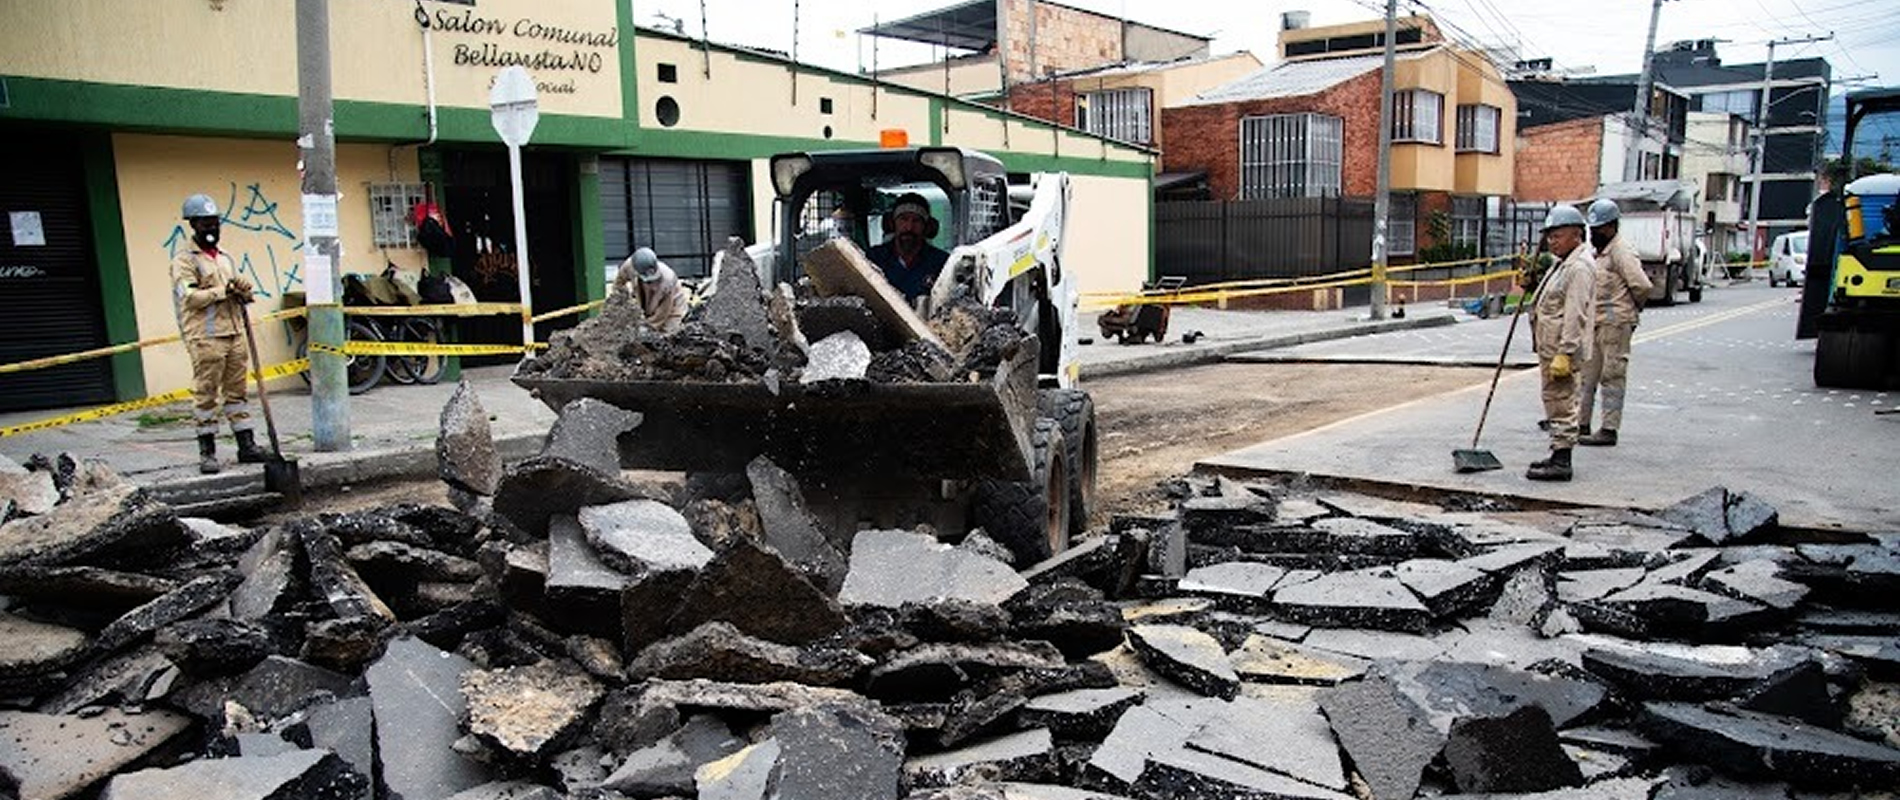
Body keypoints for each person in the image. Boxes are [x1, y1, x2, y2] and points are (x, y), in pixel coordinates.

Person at [170, 193, 265, 474]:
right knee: (206, 394)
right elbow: (188, 298)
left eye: (215, 223)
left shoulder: (225, 258)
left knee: (237, 393)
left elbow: (235, 292)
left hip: (235, 332)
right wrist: (223, 292)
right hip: (206, 337)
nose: (211, 229)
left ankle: (246, 445)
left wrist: (243, 292)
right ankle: (207, 452)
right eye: (205, 224)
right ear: (193, 226)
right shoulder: (184, 261)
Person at [1526, 204, 1597, 482]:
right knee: (1554, 398)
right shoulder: (1562, 264)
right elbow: (1552, 301)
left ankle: (1562, 459)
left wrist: (1566, 352)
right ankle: (1557, 450)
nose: (1552, 241)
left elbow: (1575, 313)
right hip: (1550, 346)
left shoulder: (1579, 267)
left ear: (1576, 235)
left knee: (1562, 399)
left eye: (1558, 236)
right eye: (1550, 236)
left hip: (1561, 349)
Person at [1577, 198, 1652, 447]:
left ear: (1611, 227)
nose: (1594, 233)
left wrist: (1629, 310)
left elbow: (1641, 285)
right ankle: (1581, 424)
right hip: (1595, 323)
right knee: (1587, 376)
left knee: (1612, 376)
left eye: (1598, 229)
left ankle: (1609, 428)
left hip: (1616, 324)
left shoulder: (1621, 251)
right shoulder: (1598, 253)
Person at [866, 192, 949, 302]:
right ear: (892, 223)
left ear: (927, 227)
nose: (909, 227)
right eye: (903, 219)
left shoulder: (942, 263)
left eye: (916, 221)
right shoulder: (873, 259)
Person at [611, 246, 688, 333]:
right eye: (649, 282)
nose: (652, 285)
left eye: (654, 280)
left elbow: (663, 312)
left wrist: (649, 327)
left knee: (667, 334)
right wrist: (621, 300)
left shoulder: (668, 280)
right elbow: (619, 283)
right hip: (647, 303)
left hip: (672, 308)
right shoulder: (629, 266)